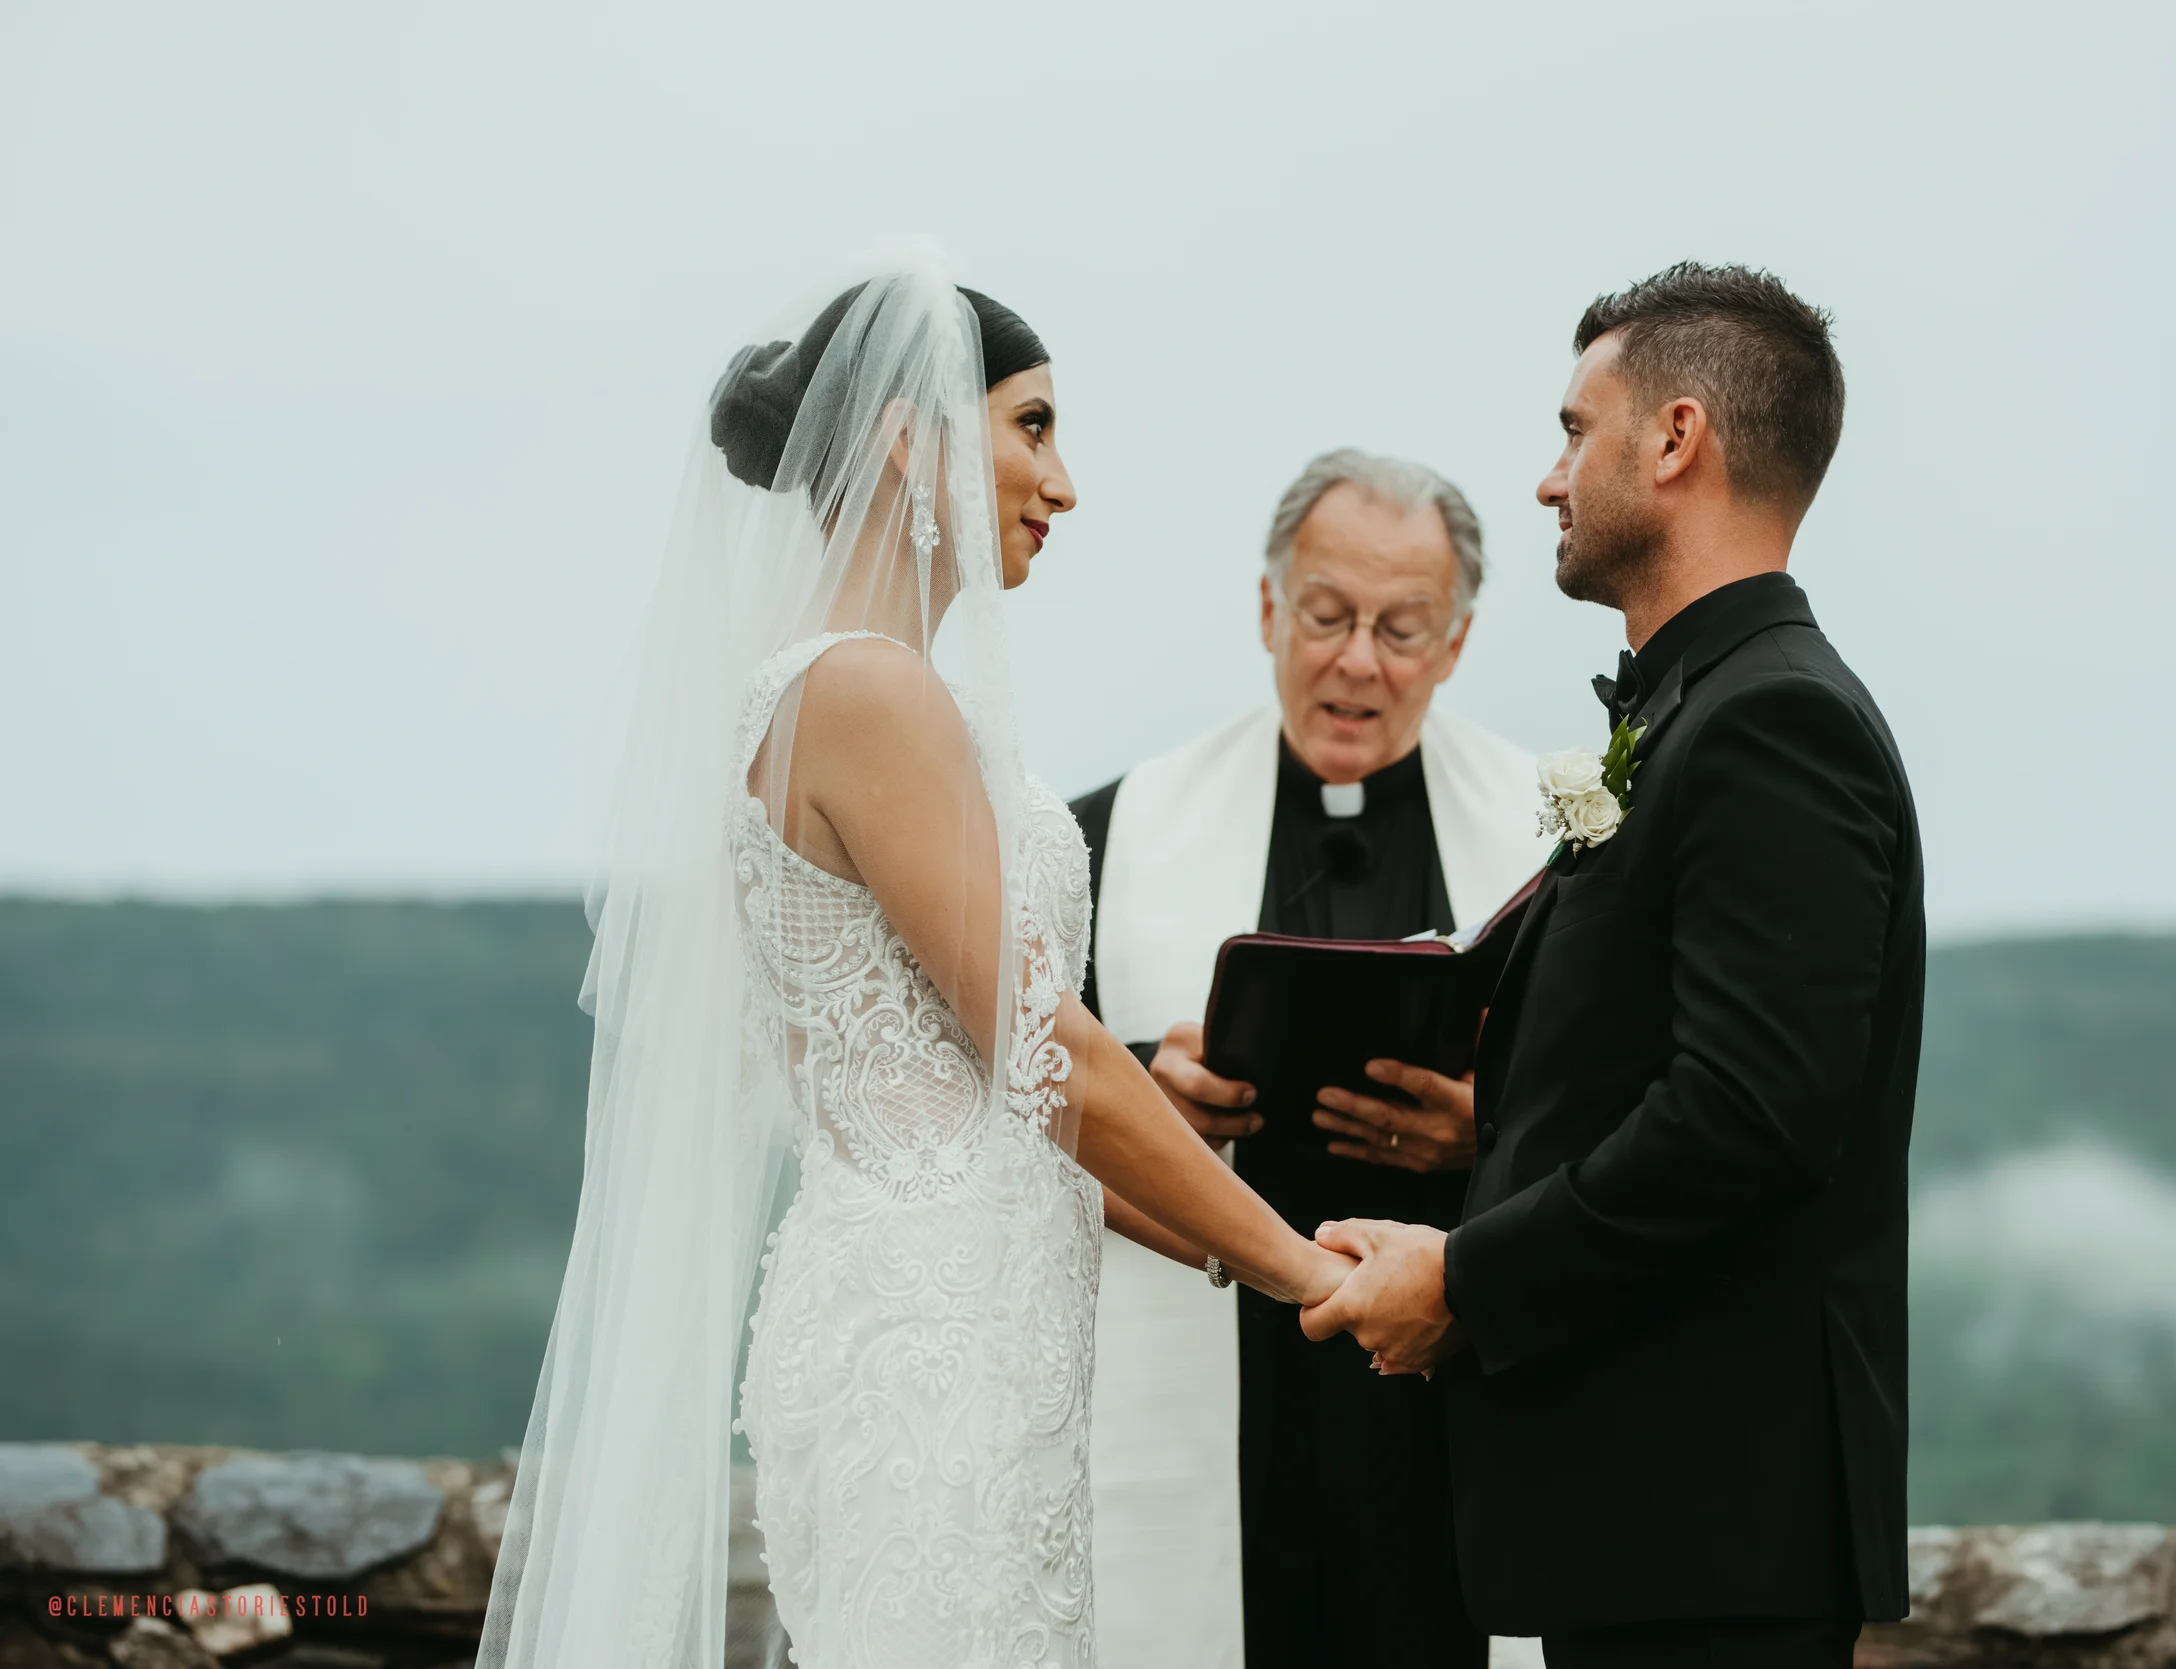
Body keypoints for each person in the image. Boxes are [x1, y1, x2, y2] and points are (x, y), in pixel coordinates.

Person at [475, 250, 1354, 1669]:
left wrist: (1214, 1233)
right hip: (933, 1345)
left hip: (959, 1309)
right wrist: (1301, 1272)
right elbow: (1042, 1050)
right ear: (907, 433)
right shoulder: (868, 686)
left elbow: (980, 1083)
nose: (1064, 483)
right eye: (1034, 424)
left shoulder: (848, 679)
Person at [1304, 263, 1924, 1669]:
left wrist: (1465, 1276)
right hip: (1656, 1525)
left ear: (1676, 439)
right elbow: (1679, 1064)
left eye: (1575, 429)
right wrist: (1499, 1130)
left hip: (1706, 1526)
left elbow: (1750, 1118)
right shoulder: (1711, 703)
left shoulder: (1773, 723)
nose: (1546, 479)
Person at [1071, 450, 1550, 1669]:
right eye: (1328, 616)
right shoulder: (1107, 837)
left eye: (1402, 628)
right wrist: (1149, 1086)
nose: (1357, 662)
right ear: (1270, 609)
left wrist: (1489, 1125)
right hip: (1225, 1404)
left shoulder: (1556, 842)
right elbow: (1014, 1095)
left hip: (1452, 1405)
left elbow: (1640, 1100)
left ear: (1455, 641)